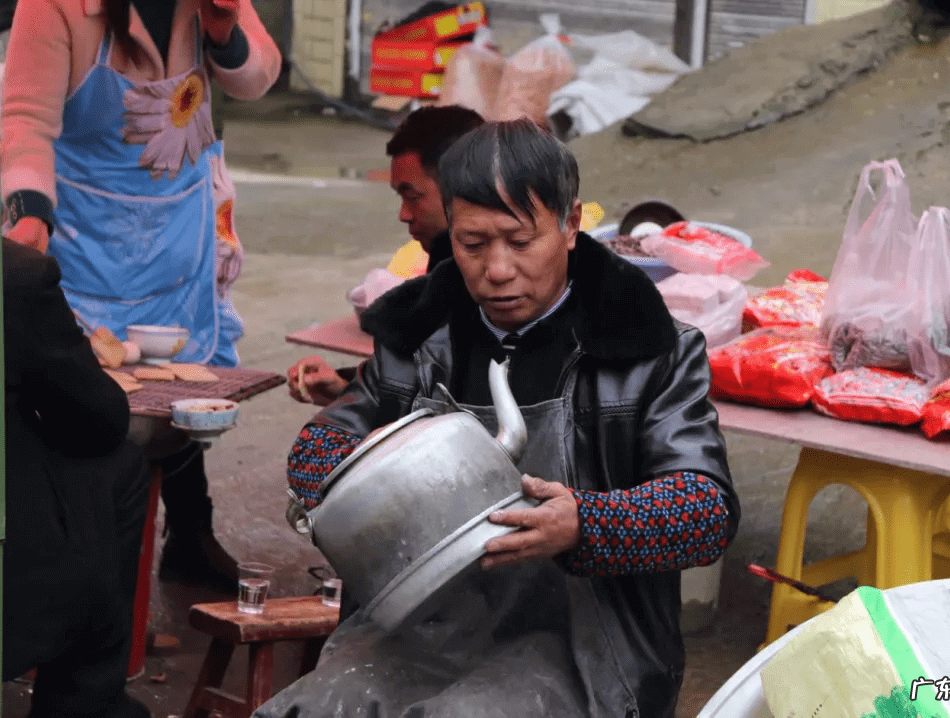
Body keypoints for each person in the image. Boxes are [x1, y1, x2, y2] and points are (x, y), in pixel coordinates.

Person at [264, 120, 741, 718]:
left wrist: (587, 523)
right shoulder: (416, 336)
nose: (496, 270)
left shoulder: (648, 348)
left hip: (584, 648)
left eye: (519, 242)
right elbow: (325, 439)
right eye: (472, 243)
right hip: (415, 632)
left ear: (570, 226)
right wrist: (354, 477)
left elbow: (707, 509)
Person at [0, 0, 282, 591]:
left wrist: (224, 31)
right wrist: (28, 219)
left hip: (179, 223)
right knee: (92, 404)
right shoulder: (53, 7)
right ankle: (81, 570)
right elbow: (26, 121)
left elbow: (258, 80)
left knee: (181, 383)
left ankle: (189, 532)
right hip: (86, 235)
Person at [2, 237, 153, 718]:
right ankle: (84, 700)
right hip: (2, 598)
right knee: (122, 464)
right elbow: (98, 421)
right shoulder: (9, 275)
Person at [286, 105, 485, 407]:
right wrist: (347, 386)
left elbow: (444, 408)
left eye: (413, 196)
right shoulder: (448, 263)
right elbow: (423, 384)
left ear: (461, 187)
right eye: (400, 197)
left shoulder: (488, 283)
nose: (404, 215)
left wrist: (355, 393)